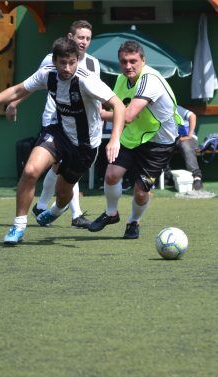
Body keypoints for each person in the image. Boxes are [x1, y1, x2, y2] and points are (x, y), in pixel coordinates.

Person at [0, 37, 125, 245]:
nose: (67, 68)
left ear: (77, 61)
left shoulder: (87, 79)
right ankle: (18, 226)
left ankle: (56, 209)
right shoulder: (47, 74)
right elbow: (18, 90)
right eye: (62, 62)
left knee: (63, 194)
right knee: (30, 171)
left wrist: (114, 139)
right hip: (59, 133)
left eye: (71, 62)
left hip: (85, 146)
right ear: (54, 60)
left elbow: (119, 106)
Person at [7, 20, 100, 229]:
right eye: (80, 38)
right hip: (55, 120)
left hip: (82, 126)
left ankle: (45, 207)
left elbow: (97, 98)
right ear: (70, 38)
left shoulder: (93, 64)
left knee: (60, 169)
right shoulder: (52, 60)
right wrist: (14, 102)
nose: (83, 42)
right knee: (54, 167)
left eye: (87, 38)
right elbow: (33, 84)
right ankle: (71, 214)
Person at [89, 40, 182, 239]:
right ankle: (111, 213)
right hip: (133, 136)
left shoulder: (150, 80)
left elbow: (128, 115)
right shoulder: (122, 79)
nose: (128, 66)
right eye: (124, 61)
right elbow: (117, 108)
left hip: (160, 142)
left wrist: (98, 113)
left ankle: (133, 221)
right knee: (112, 174)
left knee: (140, 192)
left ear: (143, 60)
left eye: (133, 61)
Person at [172, 105, 203, 191]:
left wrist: (189, 135)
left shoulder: (174, 108)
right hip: (171, 139)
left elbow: (192, 116)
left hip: (186, 137)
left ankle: (196, 178)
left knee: (186, 145)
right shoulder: (156, 110)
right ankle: (166, 176)